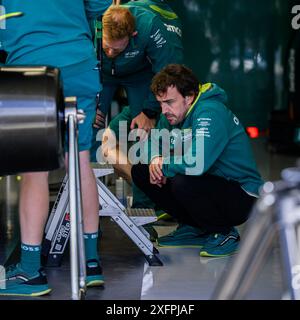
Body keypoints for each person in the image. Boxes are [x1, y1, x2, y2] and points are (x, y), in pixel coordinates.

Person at [0, 0, 112, 297]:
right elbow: (100, 5)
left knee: (35, 170)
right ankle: (91, 264)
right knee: (81, 161)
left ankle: (29, 269)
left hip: (31, 65)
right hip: (79, 63)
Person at [131, 64, 264, 257]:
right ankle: (196, 228)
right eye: (160, 103)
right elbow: (153, 140)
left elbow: (197, 163)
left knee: (182, 180)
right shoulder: (172, 116)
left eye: (169, 102)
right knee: (142, 171)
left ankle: (225, 233)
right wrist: (155, 159)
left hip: (243, 194)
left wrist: (164, 165)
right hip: (211, 184)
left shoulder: (210, 112)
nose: (164, 109)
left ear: (189, 96)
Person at [94, 0, 184, 212]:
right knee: (89, 128)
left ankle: (146, 204)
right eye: (106, 46)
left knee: (143, 135)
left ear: (132, 35)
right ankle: (87, 197)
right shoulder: (94, 22)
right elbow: (79, 63)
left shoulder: (149, 25)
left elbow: (169, 71)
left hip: (138, 76)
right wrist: (90, 105)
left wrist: (149, 111)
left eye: (116, 49)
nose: (110, 52)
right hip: (100, 75)